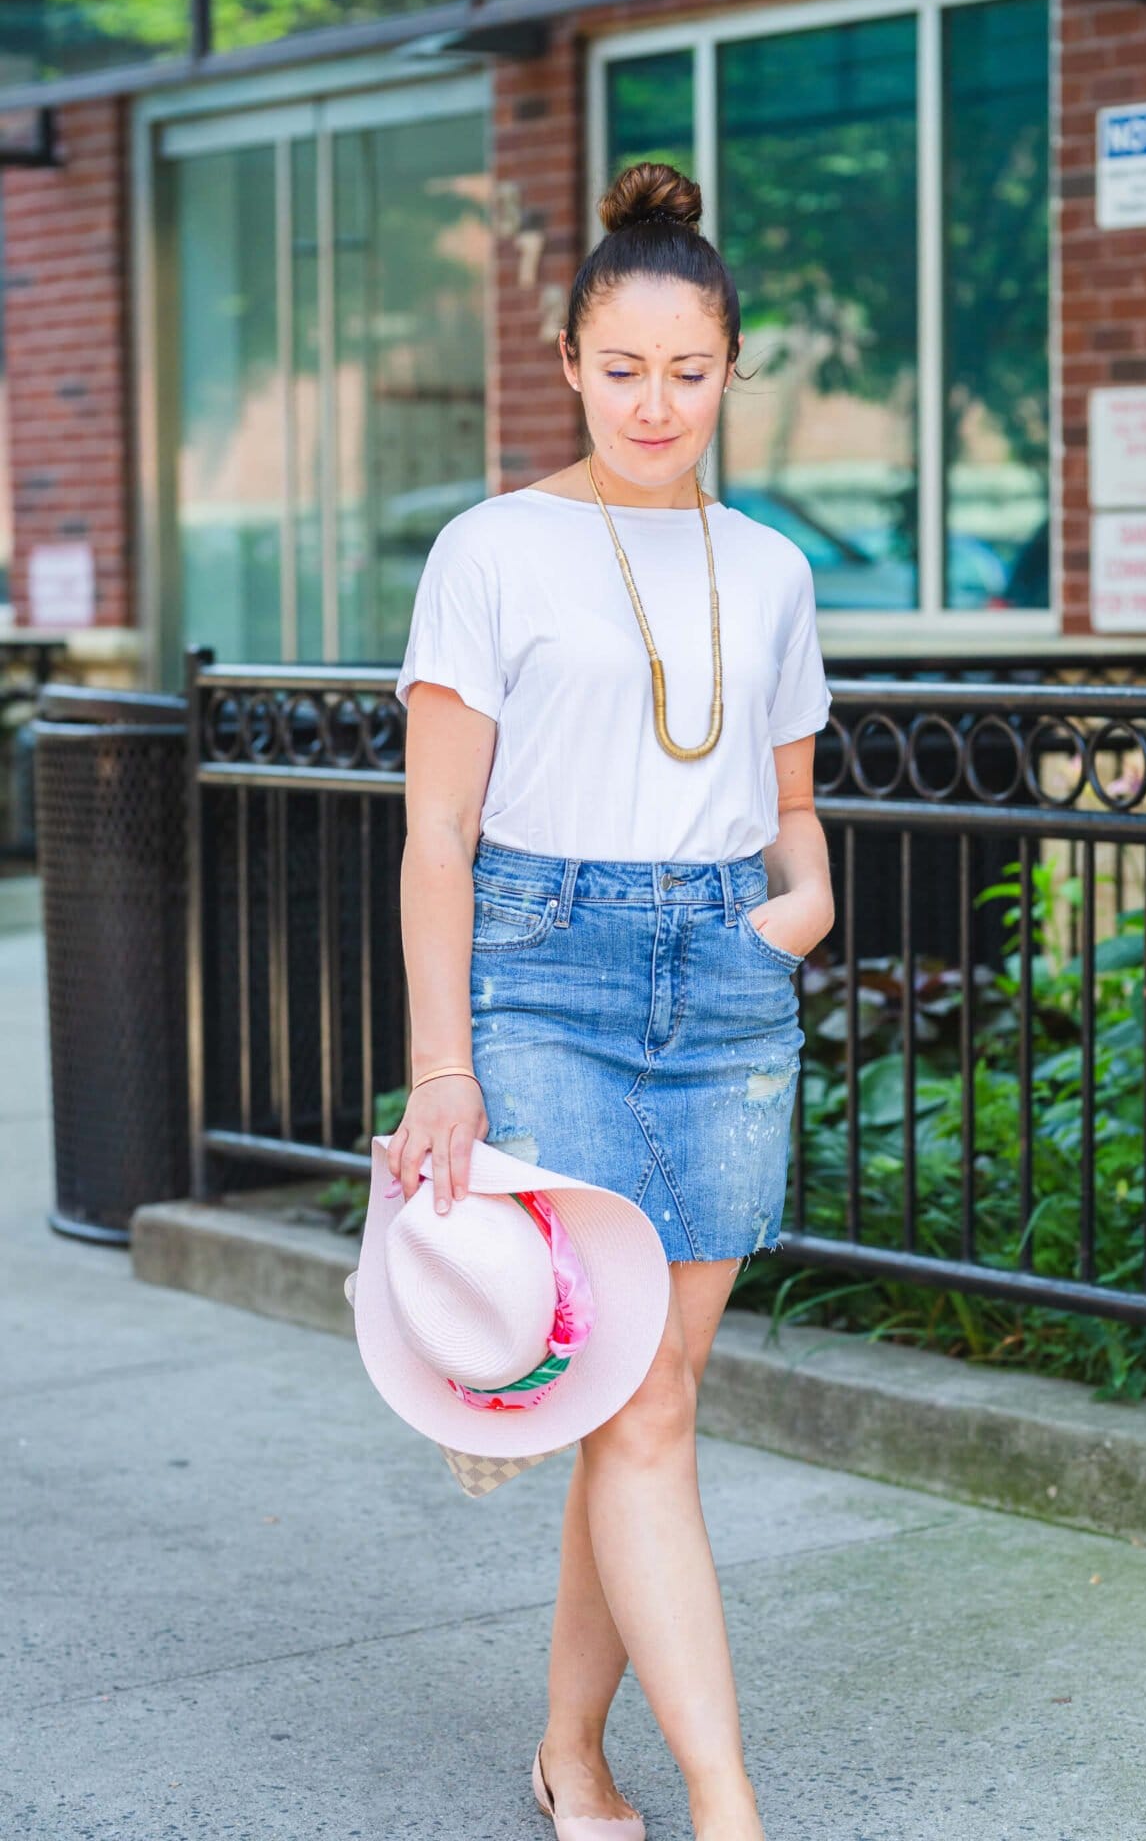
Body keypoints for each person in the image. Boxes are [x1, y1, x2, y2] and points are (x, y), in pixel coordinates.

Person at [386, 159, 834, 1841]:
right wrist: (444, 1068)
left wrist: (802, 908)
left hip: (727, 991)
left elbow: (794, 808)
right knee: (632, 1404)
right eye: (626, 368)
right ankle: (729, 1808)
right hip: (546, 973)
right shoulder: (491, 549)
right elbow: (436, 832)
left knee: (641, 1401)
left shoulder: (774, 570)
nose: (660, 403)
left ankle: (573, 1751)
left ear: (732, 367)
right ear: (570, 360)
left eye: (693, 370)